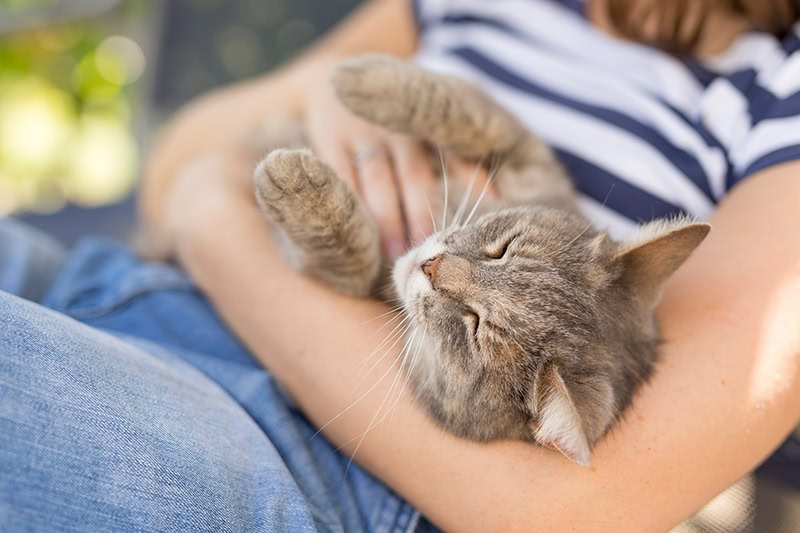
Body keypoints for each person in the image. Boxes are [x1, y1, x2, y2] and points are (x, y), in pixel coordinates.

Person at [2, 0, 800, 530]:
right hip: (124, 289)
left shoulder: (780, 89)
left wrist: (216, 218)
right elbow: (172, 170)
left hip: (321, 454)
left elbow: (571, 514)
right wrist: (323, 94)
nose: (445, 270)